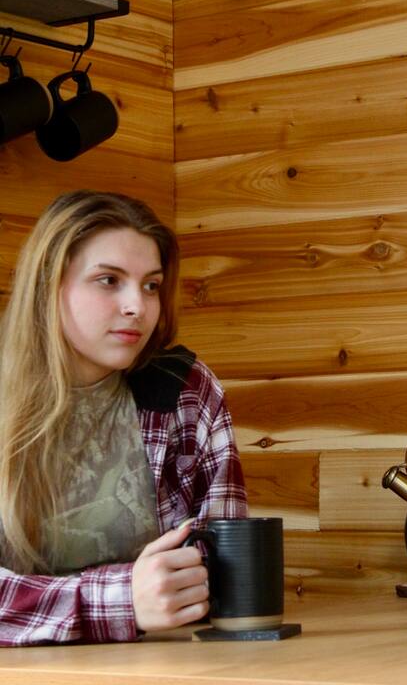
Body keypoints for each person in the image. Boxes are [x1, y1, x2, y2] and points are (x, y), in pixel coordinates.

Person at [0, 190, 248, 646]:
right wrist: (121, 602)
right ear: (48, 284)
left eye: (151, 285)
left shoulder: (185, 391)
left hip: (163, 668)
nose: (138, 306)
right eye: (109, 280)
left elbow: (228, 570)